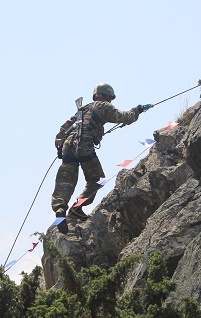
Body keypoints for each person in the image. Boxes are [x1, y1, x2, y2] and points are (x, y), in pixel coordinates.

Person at [51, 83, 151, 234]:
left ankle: (59, 209)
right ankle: (77, 207)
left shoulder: (82, 109)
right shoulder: (103, 106)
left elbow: (63, 130)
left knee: (66, 182)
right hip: (84, 145)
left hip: (67, 146)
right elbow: (125, 117)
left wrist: (59, 145)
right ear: (108, 97)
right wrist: (138, 110)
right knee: (97, 179)